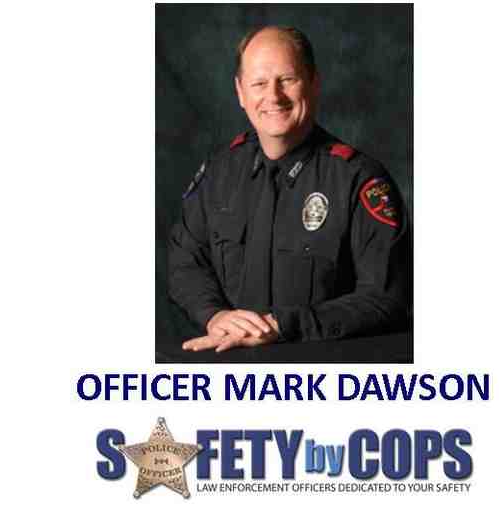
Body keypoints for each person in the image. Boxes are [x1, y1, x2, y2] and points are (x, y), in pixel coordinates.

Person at [168, 26, 411, 353]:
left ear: (314, 82)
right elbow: (185, 262)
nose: (273, 96)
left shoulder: (358, 180)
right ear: (240, 92)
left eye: (287, 79)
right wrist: (215, 315)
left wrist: (283, 326)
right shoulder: (218, 174)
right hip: (231, 373)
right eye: (258, 83)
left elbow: (387, 298)